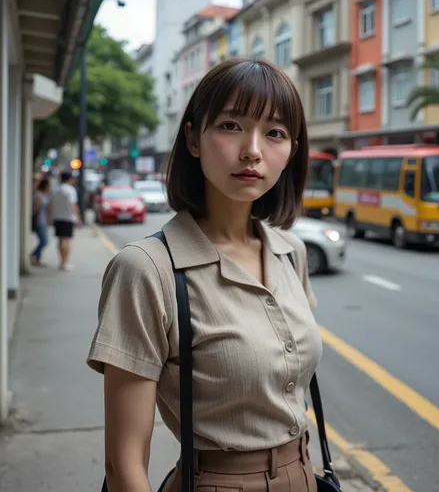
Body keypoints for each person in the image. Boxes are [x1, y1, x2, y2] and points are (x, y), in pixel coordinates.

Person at [87, 58, 322, 492]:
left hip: (306, 474)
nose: (253, 149)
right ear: (193, 138)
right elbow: (124, 465)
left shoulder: (292, 253)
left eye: (275, 133)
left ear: (291, 150)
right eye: (231, 125)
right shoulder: (146, 269)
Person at [50, 170, 81, 271]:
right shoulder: (70, 190)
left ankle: (61, 261)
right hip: (67, 218)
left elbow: (51, 204)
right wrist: (78, 217)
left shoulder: (56, 189)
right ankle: (65, 262)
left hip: (57, 217)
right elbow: (72, 205)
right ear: (69, 179)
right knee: (66, 240)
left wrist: (50, 216)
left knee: (60, 240)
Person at [30, 178, 52, 266]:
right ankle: (33, 255)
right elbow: (35, 209)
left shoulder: (43, 195)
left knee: (44, 241)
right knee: (44, 241)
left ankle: (37, 259)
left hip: (43, 220)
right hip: (39, 221)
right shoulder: (38, 196)